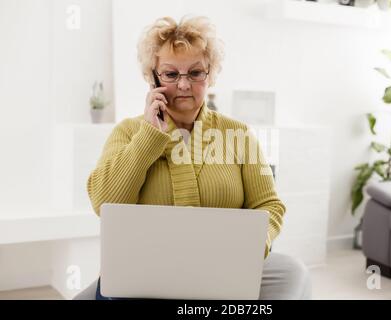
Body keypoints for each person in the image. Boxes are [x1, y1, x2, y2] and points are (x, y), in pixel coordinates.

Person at [87, 15, 311, 300]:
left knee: (293, 273)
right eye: (170, 74)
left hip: (220, 274)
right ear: (152, 78)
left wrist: (254, 246)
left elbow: (269, 203)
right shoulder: (129, 132)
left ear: (210, 75)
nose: (184, 85)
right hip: (143, 278)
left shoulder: (239, 134)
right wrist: (148, 137)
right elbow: (104, 203)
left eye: (195, 73)